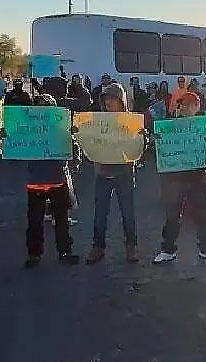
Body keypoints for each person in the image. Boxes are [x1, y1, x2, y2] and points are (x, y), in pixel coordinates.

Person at [152, 92, 206, 264]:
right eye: (183, 104)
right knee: (172, 216)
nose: (186, 107)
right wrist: (157, 140)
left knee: (203, 215)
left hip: (197, 178)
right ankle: (167, 250)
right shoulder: (169, 125)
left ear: (197, 107)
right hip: (175, 179)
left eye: (190, 104)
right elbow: (161, 152)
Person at [15, 95, 79, 268]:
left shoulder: (62, 130)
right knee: (35, 221)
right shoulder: (28, 130)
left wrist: (73, 137)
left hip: (56, 180)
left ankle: (64, 251)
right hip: (36, 182)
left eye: (46, 109)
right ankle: (35, 253)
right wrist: (5, 137)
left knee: (61, 219)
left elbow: (74, 151)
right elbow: (15, 144)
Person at [85, 83, 141, 265]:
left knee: (128, 213)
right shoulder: (97, 122)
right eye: (105, 99)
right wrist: (77, 134)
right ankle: (98, 247)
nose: (108, 102)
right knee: (100, 213)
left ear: (121, 101)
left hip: (124, 173)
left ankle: (131, 247)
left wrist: (143, 138)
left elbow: (138, 149)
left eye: (112, 99)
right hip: (102, 173)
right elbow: (88, 142)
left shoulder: (130, 121)